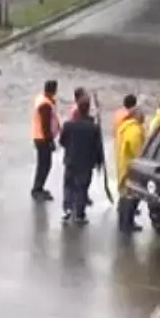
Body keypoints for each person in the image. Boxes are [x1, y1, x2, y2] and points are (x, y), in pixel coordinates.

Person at [59, 93, 104, 225]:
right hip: (86, 163)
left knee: (69, 185)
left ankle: (67, 208)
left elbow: (62, 142)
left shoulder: (68, 125)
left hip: (71, 160)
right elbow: (98, 147)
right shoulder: (93, 128)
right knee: (82, 188)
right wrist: (99, 162)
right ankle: (79, 214)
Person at [115, 96, 146, 234]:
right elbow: (138, 152)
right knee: (130, 197)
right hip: (131, 169)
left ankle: (123, 223)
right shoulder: (135, 131)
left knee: (124, 196)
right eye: (142, 114)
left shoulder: (124, 127)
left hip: (123, 164)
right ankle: (127, 224)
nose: (144, 116)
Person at [31, 80, 61, 201]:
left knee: (43, 164)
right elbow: (45, 125)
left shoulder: (42, 99)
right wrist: (50, 141)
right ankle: (37, 189)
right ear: (54, 90)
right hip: (43, 138)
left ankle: (39, 187)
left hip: (39, 136)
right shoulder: (45, 105)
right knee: (45, 164)